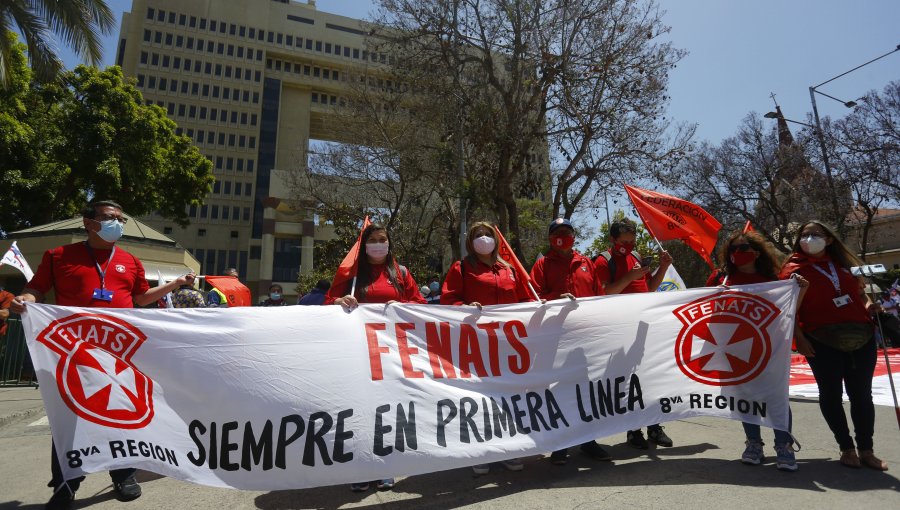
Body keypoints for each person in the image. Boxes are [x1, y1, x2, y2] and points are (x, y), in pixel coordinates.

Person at [9, 200, 198, 509]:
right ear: (89, 222)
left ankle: (123, 475)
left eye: (121, 220)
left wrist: (175, 284)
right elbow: (37, 290)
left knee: (122, 415)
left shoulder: (130, 260)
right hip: (73, 354)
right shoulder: (58, 256)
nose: (118, 225)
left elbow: (140, 297)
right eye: (111, 218)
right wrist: (24, 300)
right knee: (70, 417)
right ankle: (66, 483)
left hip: (119, 355)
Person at [780, 220, 888, 471]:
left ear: (829, 239)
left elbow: (861, 293)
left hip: (861, 336)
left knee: (862, 395)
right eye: (804, 235)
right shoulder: (791, 269)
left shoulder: (844, 265)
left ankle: (867, 450)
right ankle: (846, 448)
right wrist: (800, 338)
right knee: (831, 395)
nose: (808, 239)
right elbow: (787, 310)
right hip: (820, 339)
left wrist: (868, 305)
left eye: (814, 234)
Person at [326, 223, 426, 491]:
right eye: (373, 240)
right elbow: (327, 301)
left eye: (383, 239)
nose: (379, 244)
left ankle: (385, 465)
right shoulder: (352, 274)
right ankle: (359, 468)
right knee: (359, 408)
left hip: (392, 351)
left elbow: (420, 304)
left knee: (387, 408)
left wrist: (403, 306)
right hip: (358, 351)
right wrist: (338, 302)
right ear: (364, 245)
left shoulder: (400, 273)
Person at [441, 221, 533, 474]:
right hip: (477, 344)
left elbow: (527, 300)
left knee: (509, 397)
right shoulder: (461, 268)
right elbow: (449, 300)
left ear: (496, 240)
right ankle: (479, 451)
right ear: (470, 242)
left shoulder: (509, 268)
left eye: (487, 234)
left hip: (510, 346)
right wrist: (465, 307)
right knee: (480, 398)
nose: (483, 238)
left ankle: (509, 448)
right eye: (478, 235)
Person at [714, 230, 808, 471]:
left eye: (743, 248)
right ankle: (754, 443)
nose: (737, 253)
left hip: (768, 349)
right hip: (733, 350)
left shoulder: (774, 281)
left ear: (756, 252)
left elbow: (786, 315)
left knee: (775, 396)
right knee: (744, 397)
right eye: (733, 249)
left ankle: (783, 445)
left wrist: (800, 291)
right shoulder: (721, 279)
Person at [529, 218, 612, 465]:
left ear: (574, 236)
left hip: (585, 339)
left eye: (567, 232)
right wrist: (556, 298)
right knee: (561, 391)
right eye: (557, 233)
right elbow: (534, 298)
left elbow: (599, 297)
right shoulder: (542, 265)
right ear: (550, 238)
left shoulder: (586, 263)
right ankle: (561, 443)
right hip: (557, 340)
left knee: (587, 390)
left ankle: (588, 441)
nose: (562, 237)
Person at [593, 218, 674, 450]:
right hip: (619, 330)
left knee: (650, 379)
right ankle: (633, 430)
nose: (628, 246)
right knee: (629, 382)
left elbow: (649, 289)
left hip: (642, 326)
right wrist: (629, 277)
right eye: (624, 242)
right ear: (613, 239)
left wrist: (664, 267)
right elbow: (604, 293)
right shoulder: (603, 261)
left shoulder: (636, 257)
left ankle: (655, 427)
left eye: (632, 241)